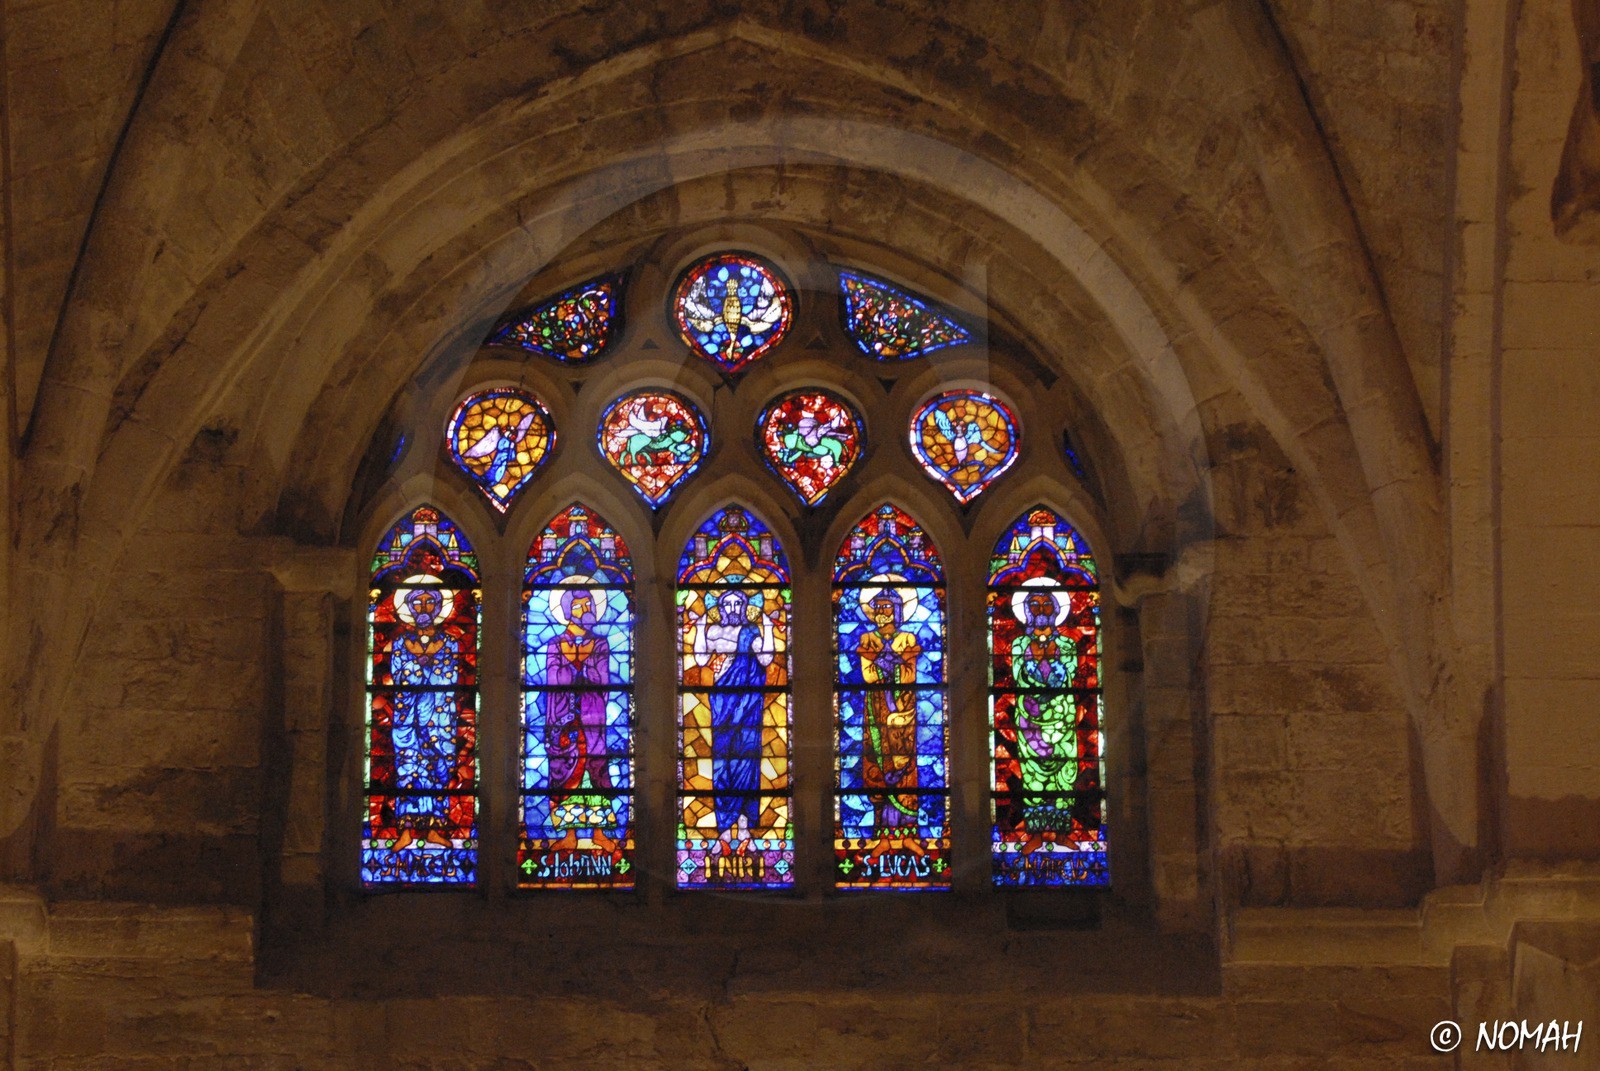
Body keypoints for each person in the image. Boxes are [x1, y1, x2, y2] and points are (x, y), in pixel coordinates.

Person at [687, 588, 774, 846]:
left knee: (747, 761)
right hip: (723, 705)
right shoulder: (715, 632)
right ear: (721, 608)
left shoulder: (751, 632)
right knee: (722, 762)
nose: (734, 608)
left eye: (739, 603)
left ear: (745, 607)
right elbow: (700, 658)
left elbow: (766, 658)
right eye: (729, 604)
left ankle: (744, 826)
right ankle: (724, 829)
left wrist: (768, 628)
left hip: (748, 707)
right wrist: (700, 627)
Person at [388, 580, 463, 852]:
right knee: (408, 769)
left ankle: (434, 830)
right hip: (408, 718)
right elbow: (398, 677)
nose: (423, 607)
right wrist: (420, 669)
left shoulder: (450, 643)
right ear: (409, 608)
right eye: (417, 603)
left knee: (437, 771)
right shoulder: (400, 643)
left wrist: (423, 668)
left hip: (438, 720)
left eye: (429, 602)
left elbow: (449, 678)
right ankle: (406, 832)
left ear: (438, 607)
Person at [541, 586, 617, 853]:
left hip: (592, 720)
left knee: (595, 773)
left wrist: (582, 664)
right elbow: (553, 679)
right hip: (562, 723)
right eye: (578, 606)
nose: (585, 610)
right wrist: (575, 664)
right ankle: (569, 835)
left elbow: (602, 680)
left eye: (588, 605)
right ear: (566, 611)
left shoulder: (600, 644)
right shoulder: (555, 644)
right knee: (565, 777)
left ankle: (599, 833)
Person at [1010, 589, 1080, 854]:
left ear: (1055, 610)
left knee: (1065, 775)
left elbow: (1069, 672)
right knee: (1032, 777)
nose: (1041, 610)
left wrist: (1049, 659)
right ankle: (1036, 835)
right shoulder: (1019, 645)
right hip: (1031, 719)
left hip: (1062, 717)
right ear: (1027, 611)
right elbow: (1018, 675)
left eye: (1046, 605)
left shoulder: (1067, 645)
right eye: (1035, 605)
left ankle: (1062, 834)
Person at [857, 589, 923, 848]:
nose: (881, 612)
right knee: (876, 762)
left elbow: (909, 676)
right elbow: (868, 675)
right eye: (877, 607)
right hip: (875, 709)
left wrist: (887, 665)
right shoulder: (867, 639)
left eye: (886, 607)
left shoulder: (908, 638)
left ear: (897, 610)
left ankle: (908, 832)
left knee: (904, 765)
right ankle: (881, 834)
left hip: (904, 710)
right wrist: (892, 664)